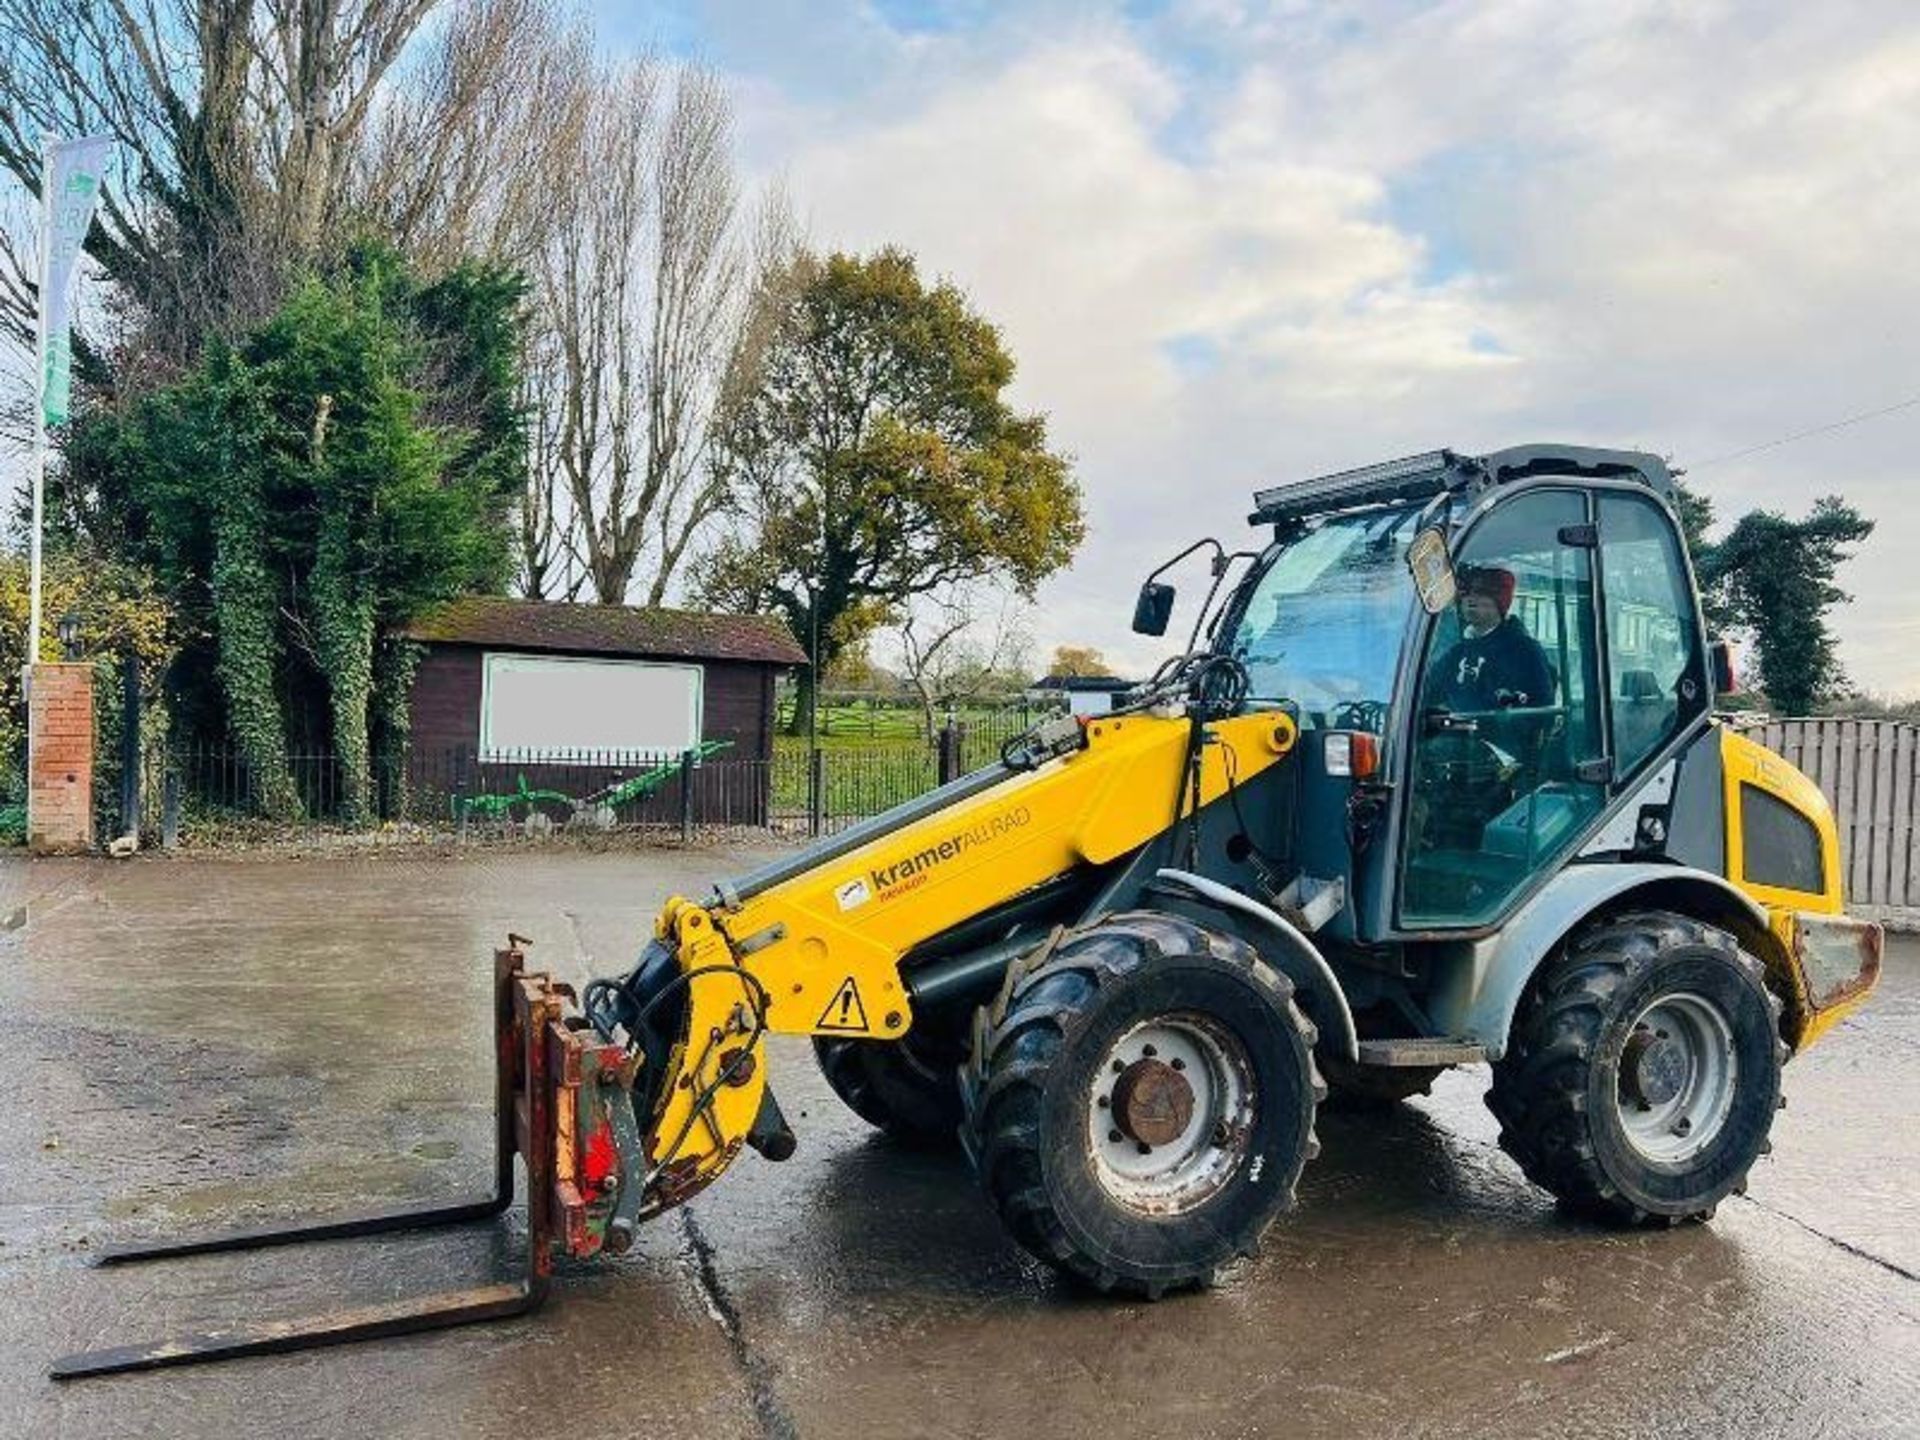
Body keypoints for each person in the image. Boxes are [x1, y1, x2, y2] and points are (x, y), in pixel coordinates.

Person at [1432, 566, 1554, 713]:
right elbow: (1426, 691)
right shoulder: (1456, 653)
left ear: (1500, 602)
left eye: (1482, 592)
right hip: (1450, 734)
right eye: (1466, 593)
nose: (1471, 599)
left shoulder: (1524, 651)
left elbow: (1542, 712)